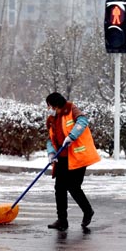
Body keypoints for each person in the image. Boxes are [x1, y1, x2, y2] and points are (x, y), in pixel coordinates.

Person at [45, 92, 100, 231]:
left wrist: (72, 136)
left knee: (73, 186)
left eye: (50, 105)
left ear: (56, 103)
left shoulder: (71, 109)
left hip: (77, 156)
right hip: (62, 158)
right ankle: (62, 221)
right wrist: (51, 153)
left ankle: (88, 211)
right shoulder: (52, 119)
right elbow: (50, 139)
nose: (50, 108)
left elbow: (83, 121)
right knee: (60, 189)